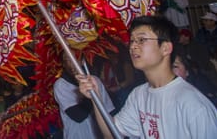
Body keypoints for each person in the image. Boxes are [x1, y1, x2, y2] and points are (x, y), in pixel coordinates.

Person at [77, 15, 217, 138]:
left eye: (142, 40)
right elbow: (112, 133)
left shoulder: (193, 105)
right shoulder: (139, 95)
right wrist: (96, 98)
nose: (133, 46)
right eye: (132, 41)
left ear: (165, 48)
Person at [54, 53, 115, 139]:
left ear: (83, 61)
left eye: (76, 58)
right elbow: (78, 116)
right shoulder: (61, 85)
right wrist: (91, 94)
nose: (72, 64)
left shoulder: (94, 80)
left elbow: (109, 110)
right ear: (63, 64)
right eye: (67, 60)